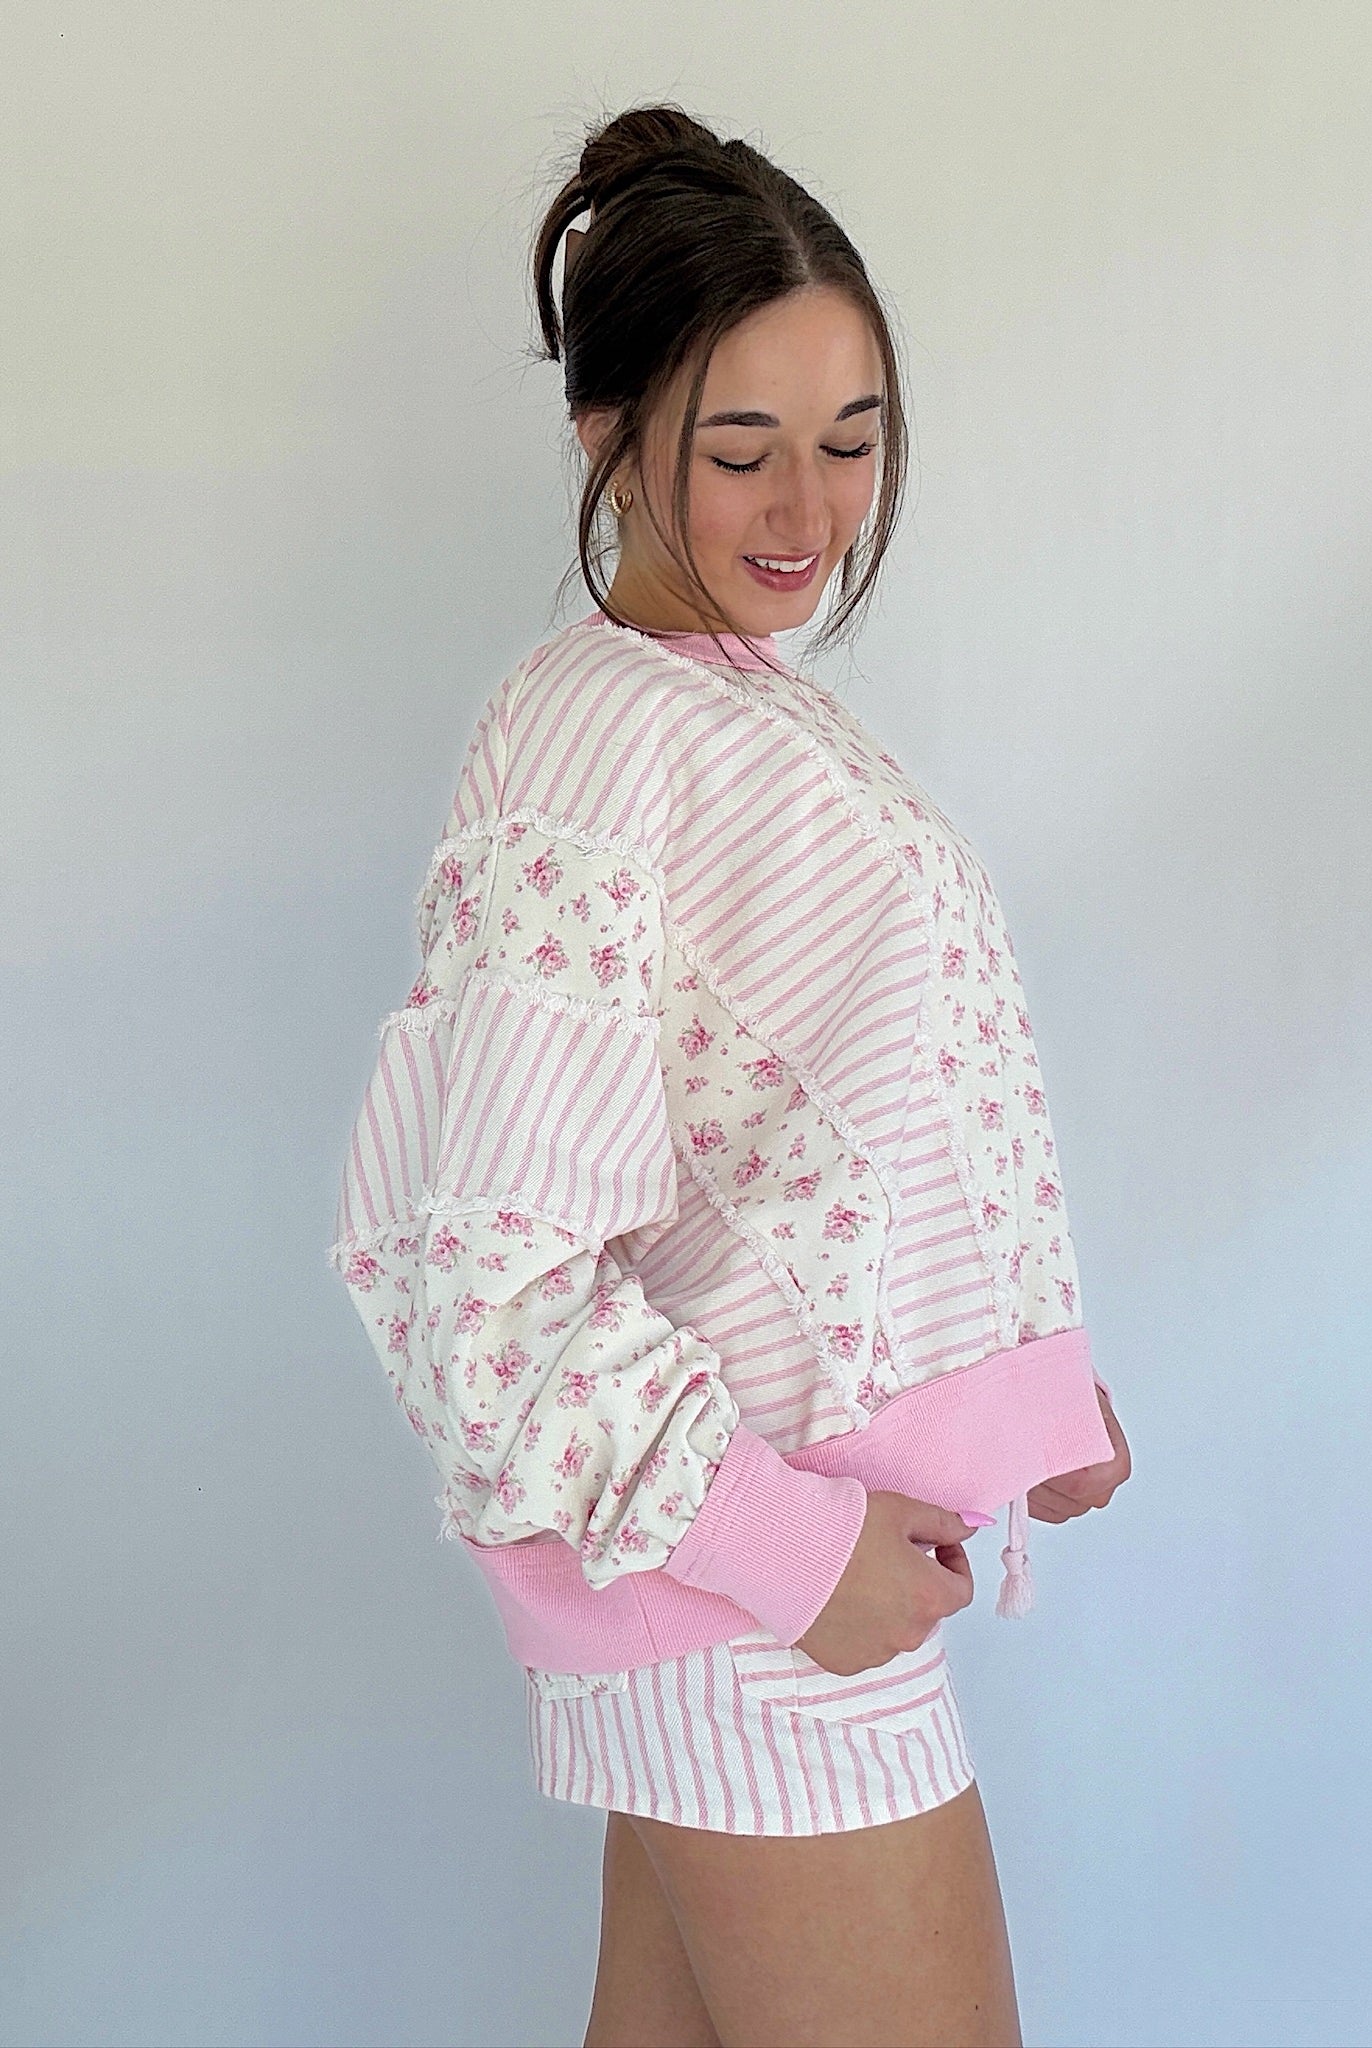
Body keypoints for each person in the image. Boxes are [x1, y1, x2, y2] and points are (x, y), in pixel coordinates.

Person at [330, 103, 1132, 2048]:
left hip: (755, 1597)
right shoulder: (605, 745)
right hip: (757, 1607)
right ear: (607, 436)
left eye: (850, 441)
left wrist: (1024, 1400)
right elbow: (476, 1278)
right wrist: (790, 1549)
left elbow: (795, 1138)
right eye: (739, 448)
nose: (806, 507)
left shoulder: (715, 714)